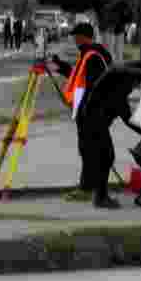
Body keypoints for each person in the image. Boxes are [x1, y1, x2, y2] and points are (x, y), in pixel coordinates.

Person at [52, 22, 116, 207]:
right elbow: (78, 77)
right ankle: (88, 188)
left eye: (76, 36)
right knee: (88, 151)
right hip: (86, 113)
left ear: (83, 37)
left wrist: (88, 112)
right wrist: (62, 67)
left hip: (91, 114)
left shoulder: (93, 56)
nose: (74, 39)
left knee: (97, 152)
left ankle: (94, 191)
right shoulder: (87, 55)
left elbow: (94, 86)